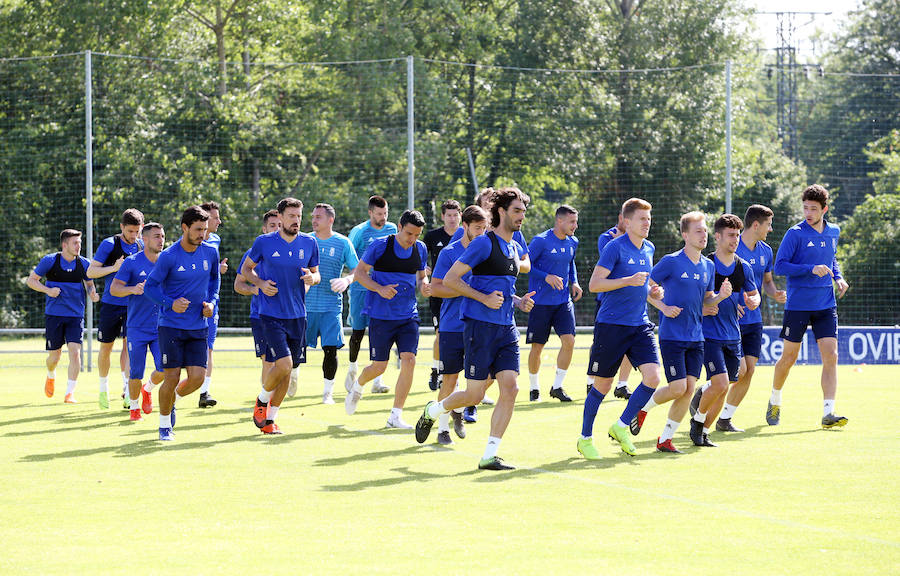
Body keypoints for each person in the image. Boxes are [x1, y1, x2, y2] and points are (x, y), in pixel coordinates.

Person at [415, 188, 536, 471]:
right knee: (474, 395)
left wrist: (518, 302)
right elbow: (452, 280)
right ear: (502, 212)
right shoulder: (483, 244)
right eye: (517, 211)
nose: (522, 216)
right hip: (479, 327)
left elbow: (502, 290)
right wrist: (482, 298)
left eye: (523, 211)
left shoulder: (515, 248)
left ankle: (490, 455)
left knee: (511, 386)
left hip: (507, 328)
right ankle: (433, 410)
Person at [577, 197, 664, 460]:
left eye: (649, 219)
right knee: (602, 386)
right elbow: (595, 285)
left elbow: (644, 285)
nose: (647, 223)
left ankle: (621, 426)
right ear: (626, 222)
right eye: (641, 219)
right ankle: (585, 439)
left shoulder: (649, 248)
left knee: (653, 377)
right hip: (611, 325)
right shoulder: (615, 248)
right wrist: (627, 280)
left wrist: (654, 290)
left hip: (640, 325)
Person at [627, 212, 721, 453]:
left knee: (689, 390)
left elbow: (707, 299)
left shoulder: (709, 266)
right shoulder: (671, 261)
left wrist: (722, 297)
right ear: (685, 234)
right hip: (672, 337)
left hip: (696, 338)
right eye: (698, 231)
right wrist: (663, 307)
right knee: (679, 388)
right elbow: (645, 286)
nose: (704, 235)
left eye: (705, 230)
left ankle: (665, 439)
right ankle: (643, 408)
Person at [768, 184, 849, 428]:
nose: (808, 213)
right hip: (798, 305)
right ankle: (775, 399)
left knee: (831, 356)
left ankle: (828, 413)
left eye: (813, 209)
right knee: (789, 358)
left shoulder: (833, 231)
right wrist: (809, 269)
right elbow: (779, 266)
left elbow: (831, 258)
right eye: (805, 208)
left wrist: (838, 276)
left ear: (824, 209)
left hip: (825, 304)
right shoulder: (795, 233)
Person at [344, 210, 431, 428]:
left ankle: (395, 415)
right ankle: (358, 385)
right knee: (379, 367)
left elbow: (422, 277)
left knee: (409, 360)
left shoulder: (419, 248)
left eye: (417, 235)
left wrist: (425, 286)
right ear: (399, 227)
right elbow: (360, 273)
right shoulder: (380, 246)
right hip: (381, 316)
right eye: (409, 233)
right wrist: (380, 289)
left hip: (408, 315)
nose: (412, 239)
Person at [241, 198, 320, 435]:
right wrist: (260, 283)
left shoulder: (309, 242)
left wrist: (312, 279)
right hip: (270, 314)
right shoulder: (264, 243)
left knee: (289, 370)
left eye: (299, 216)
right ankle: (262, 400)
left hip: (298, 315)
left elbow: (317, 275)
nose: (296, 220)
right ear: (282, 217)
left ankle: (270, 421)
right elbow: (246, 270)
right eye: (292, 216)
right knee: (282, 364)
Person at [144, 206, 220, 441]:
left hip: (198, 326)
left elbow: (214, 281)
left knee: (197, 378)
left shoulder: (210, 253)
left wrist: (211, 303)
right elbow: (150, 287)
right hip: (171, 326)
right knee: (172, 376)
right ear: (185, 228)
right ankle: (165, 426)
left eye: (205, 230)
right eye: (198, 230)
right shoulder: (169, 255)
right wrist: (169, 303)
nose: (202, 235)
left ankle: (170, 400)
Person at [688, 214, 760, 447]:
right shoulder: (706, 265)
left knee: (724, 385)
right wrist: (706, 305)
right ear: (717, 237)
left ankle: (704, 430)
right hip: (709, 336)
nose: (735, 239)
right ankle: (697, 422)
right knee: (720, 384)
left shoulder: (743, 267)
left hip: (733, 335)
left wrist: (753, 302)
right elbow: (695, 300)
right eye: (730, 235)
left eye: (738, 235)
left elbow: (754, 293)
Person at [715, 204, 786, 431]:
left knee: (750, 370)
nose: (771, 229)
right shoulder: (732, 248)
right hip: (732, 321)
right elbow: (717, 283)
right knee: (739, 370)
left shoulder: (766, 251)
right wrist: (730, 304)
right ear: (756, 225)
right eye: (768, 224)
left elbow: (766, 280)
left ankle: (725, 419)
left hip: (755, 320)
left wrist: (774, 293)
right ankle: (705, 393)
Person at [426, 205, 489, 444]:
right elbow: (437, 288)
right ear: (465, 226)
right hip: (453, 326)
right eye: (477, 228)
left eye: (485, 228)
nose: (482, 233)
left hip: (480, 324)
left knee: (482, 378)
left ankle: (459, 410)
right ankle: (443, 428)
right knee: (450, 379)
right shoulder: (450, 252)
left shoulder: (487, 252)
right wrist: (467, 291)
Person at [27, 229, 99, 403]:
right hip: (54, 316)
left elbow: (89, 285)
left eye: (80, 242)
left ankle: (69, 393)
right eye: (75, 243)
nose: (79, 246)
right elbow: (31, 281)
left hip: (75, 316)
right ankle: (51, 375)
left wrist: (92, 294)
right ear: (64, 244)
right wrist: (48, 290)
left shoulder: (84, 264)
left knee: (75, 353)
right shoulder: (50, 261)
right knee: (54, 357)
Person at [87, 208, 143, 409]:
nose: (134, 236)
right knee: (106, 348)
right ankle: (103, 389)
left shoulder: (141, 245)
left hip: (134, 305)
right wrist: (113, 268)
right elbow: (91, 271)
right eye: (130, 231)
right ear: (121, 227)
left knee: (130, 347)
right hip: (111, 304)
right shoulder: (109, 244)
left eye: (137, 231)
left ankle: (128, 391)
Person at [110, 222, 166, 421]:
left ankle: (148, 389)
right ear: (145, 239)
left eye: (162, 236)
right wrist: (133, 289)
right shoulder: (132, 262)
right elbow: (114, 289)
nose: (161, 240)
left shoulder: (167, 261)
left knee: (165, 369)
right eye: (157, 236)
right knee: (135, 372)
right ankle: (134, 409)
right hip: (137, 327)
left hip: (162, 327)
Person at [526, 205, 582, 402]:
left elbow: (570, 262)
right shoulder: (540, 241)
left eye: (576, 221)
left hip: (563, 301)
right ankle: (534, 388)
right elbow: (525, 265)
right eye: (572, 222)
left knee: (569, 341)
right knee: (537, 347)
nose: (575, 226)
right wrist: (546, 276)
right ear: (559, 221)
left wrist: (574, 281)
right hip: (540, 302)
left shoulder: (573, 241)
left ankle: (557, 386)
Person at [305, 203, 359, 404]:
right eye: (313, 216)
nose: (314, 219)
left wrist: (346, 280)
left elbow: (358, 270)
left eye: (318, 216)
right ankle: (292, 375)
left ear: (330, 220)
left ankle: (328, 392)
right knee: (295, 349)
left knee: (330, 350)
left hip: (331, 307)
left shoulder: (343, 243)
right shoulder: (306, 240)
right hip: (305, 306)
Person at [346, 195, 397, 394]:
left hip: (382, 290)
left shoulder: (393, 229)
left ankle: (377, 380)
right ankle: (352, 370)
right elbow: (350, 258)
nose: (383, 217)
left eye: (385, 213)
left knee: (379, 332)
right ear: (370, 213)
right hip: (360, 290)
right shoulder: (359, 232)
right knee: (358, 332)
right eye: (379, 214)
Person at [234, 210, 281, 399]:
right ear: (264, 229)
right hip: (261, 315)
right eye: (272, 225)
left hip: (289, 315)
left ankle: (273, 397)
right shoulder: (253, 253)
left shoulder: (295, 250)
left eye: (279, 224)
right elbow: (238, 285)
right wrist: (255, 288)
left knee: (285, 362)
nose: (277, 229)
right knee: (268, 361)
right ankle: (264, 403)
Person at [591, 211, 634, 400]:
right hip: (606, 301)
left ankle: (622, 384)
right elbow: (611, 263)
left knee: (630, 345)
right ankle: (591, 381)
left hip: (630, 302)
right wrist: (621, 240)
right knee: (599, 343)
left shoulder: (639, 243)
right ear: (621, 218)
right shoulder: (607, 238)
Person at [423, 199, 461, 391]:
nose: (453, 219)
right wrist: (423, 269)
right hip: (439, 293)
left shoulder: (468, 237)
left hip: (461, 293)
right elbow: (420, 254)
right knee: (441, 334)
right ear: (443, 217)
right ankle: (436, 369)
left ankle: (456, 373)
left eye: (456, 215)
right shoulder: (432, 236)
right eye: (449, 215)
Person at [198, 201, 228, 408]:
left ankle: (204, 393)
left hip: (211, 302)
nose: (219, 221)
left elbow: (211, 268)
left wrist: (218, 269)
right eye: (215, 217)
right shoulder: (188, 243)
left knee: (208, 348)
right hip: (190, 303)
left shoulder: (215, 240)